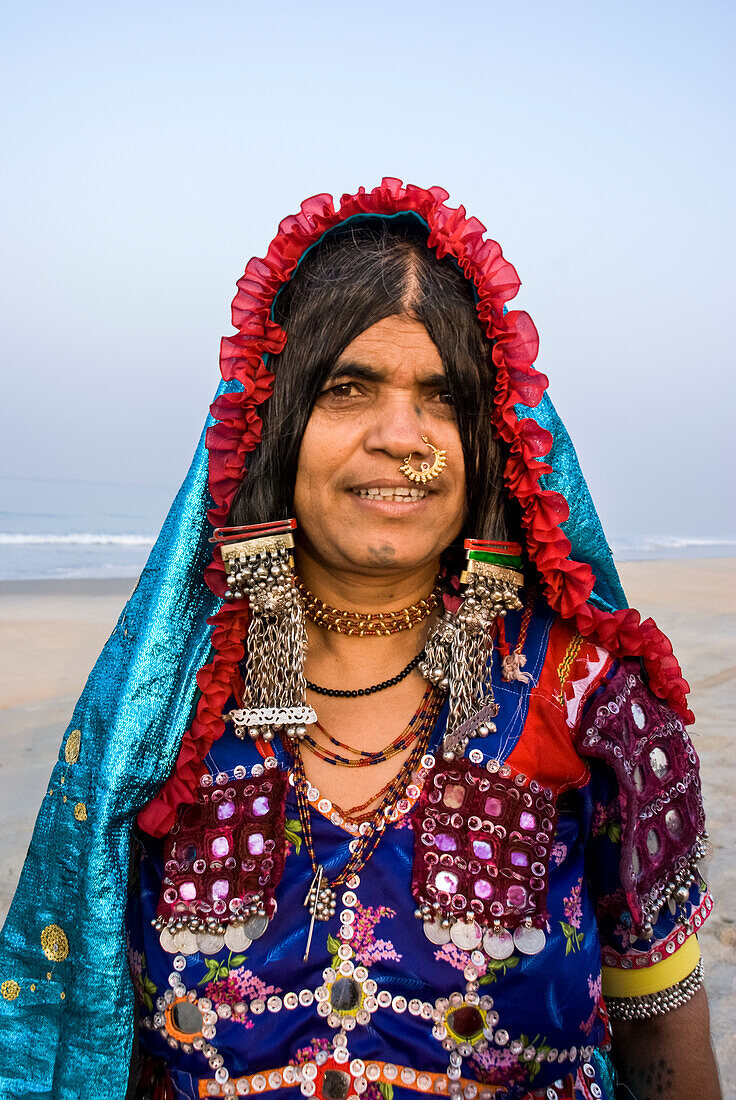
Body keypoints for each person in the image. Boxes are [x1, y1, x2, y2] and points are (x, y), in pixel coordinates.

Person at [0, 180, 721, 1100]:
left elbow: (667, 1052)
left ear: (494, 440)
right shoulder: (165, 717)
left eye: (442, 397)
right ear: (271, 425)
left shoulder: (596, 707)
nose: (400, 437)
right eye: (347, 389)